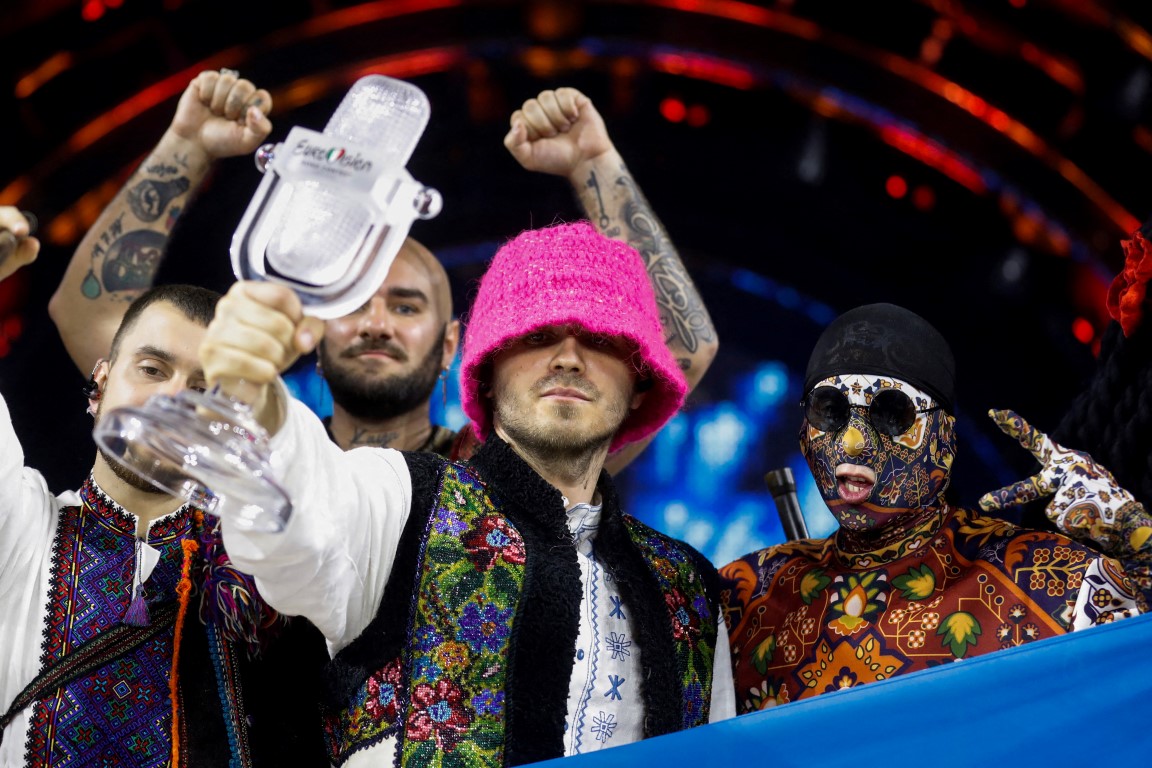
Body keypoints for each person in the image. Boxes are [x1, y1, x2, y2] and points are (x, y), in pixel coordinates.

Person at [198, 220, 735, 767]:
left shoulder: (687, 582)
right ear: (487, 369)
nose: (568, 358)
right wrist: (256, 400)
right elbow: (296, 520)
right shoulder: (406, 500)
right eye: (537, 334)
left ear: (641, 378)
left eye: (600, 339)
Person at [50, 79, 718, 469]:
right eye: (355, 299)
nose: (375, 322)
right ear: (312, 318)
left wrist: (593, 162)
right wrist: (187, 146)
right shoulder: (258, 447)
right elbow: (92, 315)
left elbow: (679, 350)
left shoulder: (507, 474)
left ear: (451, 343)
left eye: (404, 306)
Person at [719, 302, 1145, 714]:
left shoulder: (1046, 579)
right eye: (831, 410)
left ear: (944, 437)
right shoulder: (748, 594)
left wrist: (1133, 533)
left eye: (891, 413)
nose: (852, 442)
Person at [0, 279, 329, 766]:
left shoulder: (264, 568)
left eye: (203, 389)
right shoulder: (20, 523)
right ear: (102, 382)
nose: (174, 399)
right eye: (152, 369)